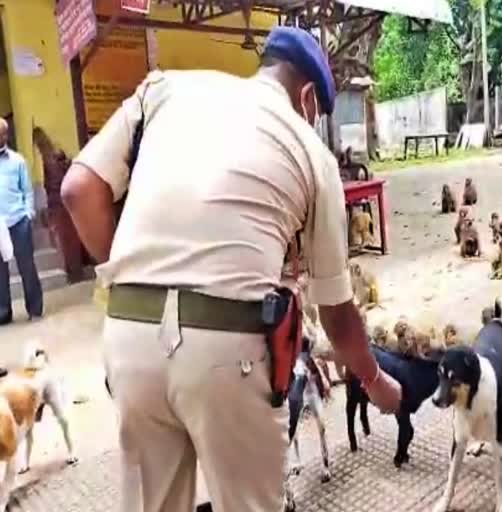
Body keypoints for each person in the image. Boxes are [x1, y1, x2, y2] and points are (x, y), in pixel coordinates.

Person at [61, 26, 401, 512]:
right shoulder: (312, 151)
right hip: (229, 352)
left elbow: (78, 191)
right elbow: (337, 313)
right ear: (308, 99)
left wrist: (139, 278)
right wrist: (373, 380)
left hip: (128, 338)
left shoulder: (163, 90)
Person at [0, 118, 43, 325]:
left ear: (5, 136)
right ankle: (3, 313)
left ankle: (34, 309)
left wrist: (29, 214)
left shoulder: (17, 161)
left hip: (18, 221)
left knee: (27, 266)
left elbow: (27, 190)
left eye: (1, 134)